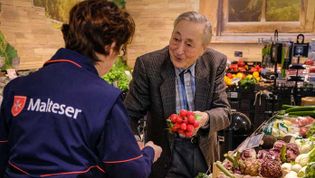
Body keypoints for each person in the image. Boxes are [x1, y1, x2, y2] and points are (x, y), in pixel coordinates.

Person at [0, 0, 162, 177]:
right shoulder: (105, 100)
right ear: (110, 46)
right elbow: (131, 171)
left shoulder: (16, 88)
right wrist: (149, 152)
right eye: (121, 49)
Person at [124, 11, 231, 178]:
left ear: (203, 49)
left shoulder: (215, 62)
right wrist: (136, 141)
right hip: (164, 157)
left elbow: (224, 112)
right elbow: (129, 114)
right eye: (176, 39)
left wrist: (204, 118)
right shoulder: (148, 65)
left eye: (189, 44)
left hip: (203, 154)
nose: (179, 50)